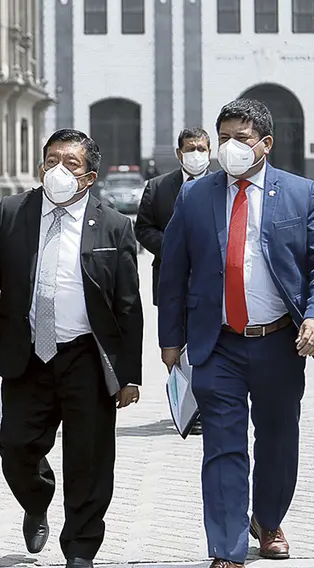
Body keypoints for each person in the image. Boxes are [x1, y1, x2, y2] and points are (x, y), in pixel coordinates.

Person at [158, 99, 314, 568]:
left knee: (279, 440)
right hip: (218, 345)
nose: (230, 147)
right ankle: (227, 555)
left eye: (242, 137)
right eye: (224, 138)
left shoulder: (302, 193)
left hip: (281, 343)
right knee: (222, 448)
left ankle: (268, 518)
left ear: (266, 144)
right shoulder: (196, 197)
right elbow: (173, 271)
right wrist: (170, 339)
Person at [0, 129, 143, 568]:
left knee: (89, 458)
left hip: (86, 357)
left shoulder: (114, 225)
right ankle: (37, 500)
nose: (59, 170)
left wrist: (129, 375)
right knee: (16, 447)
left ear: (89, 175)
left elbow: (128, 306)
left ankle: (81, 547)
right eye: (51, 160)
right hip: (25, 354)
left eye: (70, 163)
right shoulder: (13, 212)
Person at [135, 127, 211, 436]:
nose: (196, 153)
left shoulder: (223, 186)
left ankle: (207, 407)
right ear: (179, 153)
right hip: (171, 282)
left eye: (202, 148)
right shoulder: (158, 187)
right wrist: (173, 247)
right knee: (177, 346)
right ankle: (186, 407)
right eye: (190, 148)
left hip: (210, 284)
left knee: (207, 346)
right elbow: (143, 228)